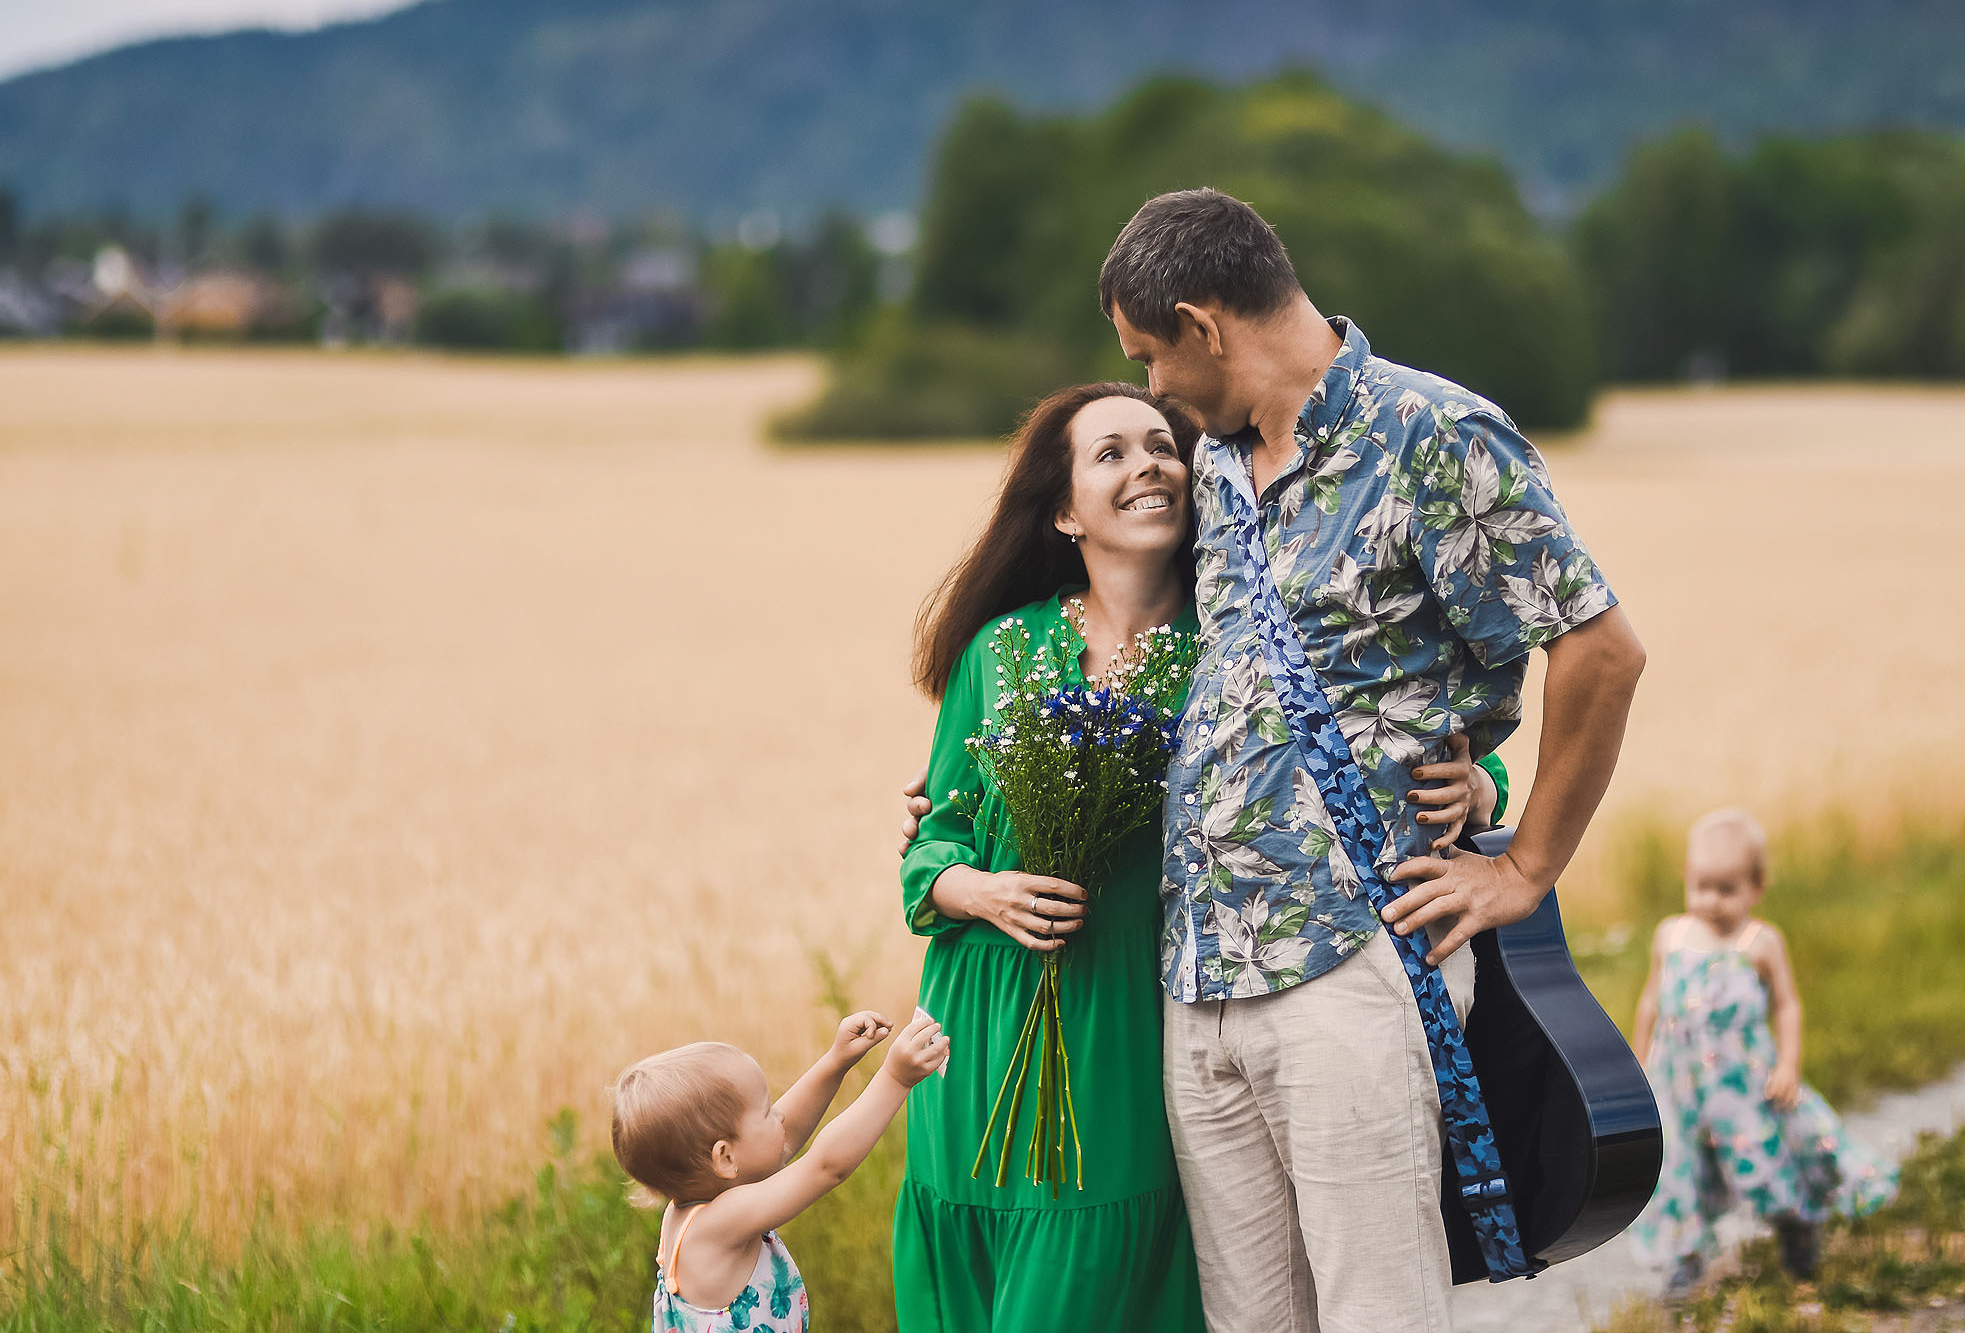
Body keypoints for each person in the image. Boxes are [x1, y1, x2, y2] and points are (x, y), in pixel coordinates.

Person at [1095, 189, 1647, 1333]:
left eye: (1147, 356)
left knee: (1375, 1313)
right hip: (1201, 978)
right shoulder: (1217, 472)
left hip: (1350, 959)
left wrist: (1525, 861)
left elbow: (1598, 647)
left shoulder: (1431, 435)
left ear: (1202, 325)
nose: (1150, 390)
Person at [892, 380, 1509, 1332]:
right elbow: (933, 844)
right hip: (983, 1022)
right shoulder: (1000, 649)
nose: (1148, 464)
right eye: (1111, 453)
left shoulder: (1231, 641)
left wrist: (1479, 789)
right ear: (1061, 511)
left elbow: (1398, 735)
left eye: (1162, 445)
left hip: (1135, 1026)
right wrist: (979, 886)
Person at [1628, 808, 1896, 1296]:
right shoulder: (1670, 935)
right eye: (1701, 886)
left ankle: (1796, 1223)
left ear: (1757, 888)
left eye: (1727, 890)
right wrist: (1639, 1062)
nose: (1711, 901)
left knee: (1761, 1155)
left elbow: (1788, 1006)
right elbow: (1651, 1002)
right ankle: (1684, 1256)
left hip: (1741, 1081)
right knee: (1678, 1166)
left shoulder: (1760, 942)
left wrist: (1789, 1066)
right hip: (1678, 1081)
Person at [611, 1009, 951, 1333]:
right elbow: (825, 1168)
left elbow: (780, 1142)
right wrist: (894, 1079)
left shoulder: (699, 1201)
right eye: (766, 1112)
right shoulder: (717, 1224)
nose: (781, 1117)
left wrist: (836, 1061)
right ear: (725, 1157)